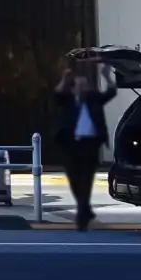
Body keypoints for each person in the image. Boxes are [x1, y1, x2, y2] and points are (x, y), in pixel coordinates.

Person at [53, 53, 116, 231]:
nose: (82, 88)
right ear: (73, 89)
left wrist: (106, 75)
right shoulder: (67, 102)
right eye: (79, 86)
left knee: (86, 181)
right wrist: (65, 79)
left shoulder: (94, 100)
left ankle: (81, 219)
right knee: (74, 181)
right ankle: (86, 210)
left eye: (85, 85)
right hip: (71, 145)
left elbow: (111, 92)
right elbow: (56, 95)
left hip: (90, 145)